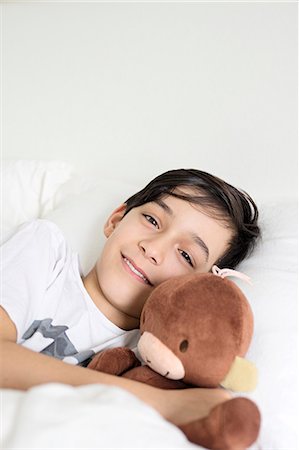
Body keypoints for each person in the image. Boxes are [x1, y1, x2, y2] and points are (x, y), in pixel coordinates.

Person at [0, 168, 260, 430]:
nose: (153, 249)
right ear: (116, 219)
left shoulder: (159, 360)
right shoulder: (46, 252)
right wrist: (163, 404)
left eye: (186, 256)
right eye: (152, 220)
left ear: (199, 287)